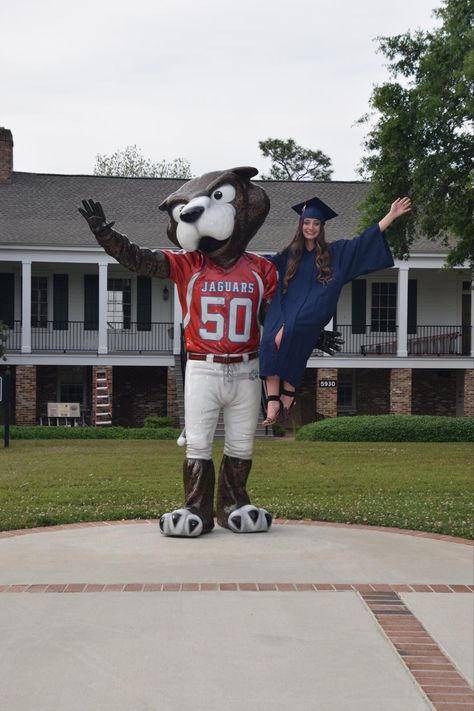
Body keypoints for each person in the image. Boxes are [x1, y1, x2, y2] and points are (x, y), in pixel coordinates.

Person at [260, 195, 412, 425]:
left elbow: (362, 243)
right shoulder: (289, 254)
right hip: (286, 307)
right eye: (307, 223)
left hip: (313, 309)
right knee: (271, 339)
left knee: (288, 333)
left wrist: (391, 215)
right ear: (301, 225)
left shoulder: (335, 252)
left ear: (321, 227)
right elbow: (264, 267)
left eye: (316, 223)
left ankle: (287, 395)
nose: (311, 227)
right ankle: (274, 400)